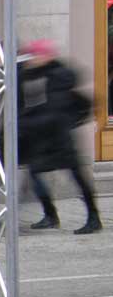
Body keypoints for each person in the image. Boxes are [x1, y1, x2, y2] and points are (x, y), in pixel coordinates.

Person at [18, 39, 101, 234]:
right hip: (42, 138)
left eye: (37, 55)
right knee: (34, 172)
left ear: (46, 56)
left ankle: (94, 217)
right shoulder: (31, 76)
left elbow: (54, 109)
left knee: (77, 176)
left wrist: (29, 122)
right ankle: (50, 215)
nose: (33, 59)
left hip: (60, 137)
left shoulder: (59, 76)